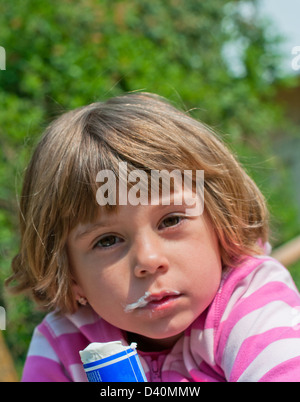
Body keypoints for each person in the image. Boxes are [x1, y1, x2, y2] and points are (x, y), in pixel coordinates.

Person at [7, 92, 300, 382]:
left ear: (222, 221)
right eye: (107, 240)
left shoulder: (250, 300)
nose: (148, 260)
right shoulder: (63, 346)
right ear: (71, 276)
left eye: (171, 221)